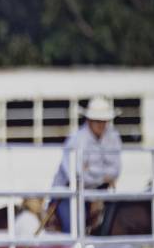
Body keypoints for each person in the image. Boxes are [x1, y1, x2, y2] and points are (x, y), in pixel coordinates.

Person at [52, 96, 122, 233]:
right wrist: (103, 176)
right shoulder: (77, 140)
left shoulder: (112, 137)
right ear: (89, 120)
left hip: (99, 193)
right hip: (69, 193)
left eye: (104, 121)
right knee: (73, 228)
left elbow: (115, 170)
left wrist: (90, 170)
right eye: (97, 121)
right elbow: (75, 174)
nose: (101, 125)